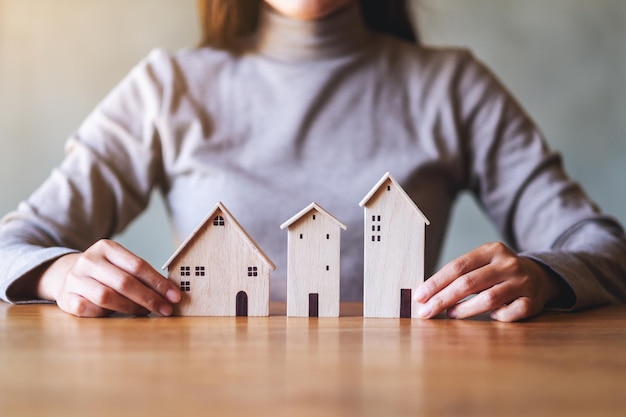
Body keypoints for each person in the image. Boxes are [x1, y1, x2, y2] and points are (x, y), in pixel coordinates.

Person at [1, 0, 625, 320]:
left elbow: (603, 248)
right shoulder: (167, 88)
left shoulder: (452, 86)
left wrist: (544, 275)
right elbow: (13, 243)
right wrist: (57, 274)